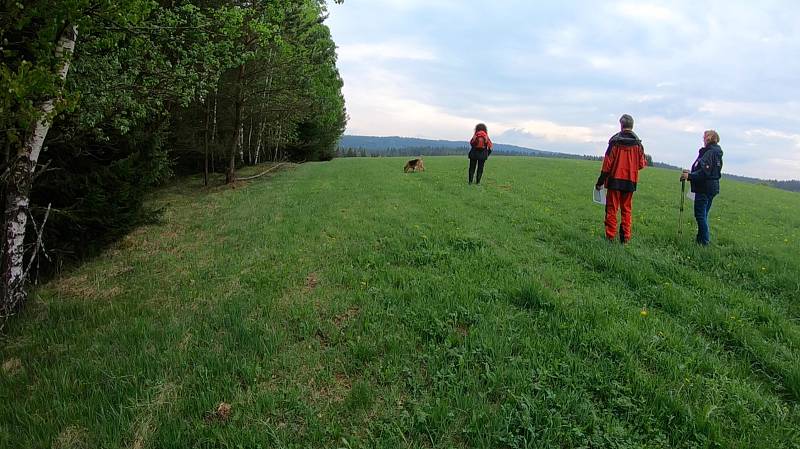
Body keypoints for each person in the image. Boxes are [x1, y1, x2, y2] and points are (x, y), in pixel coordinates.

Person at [595, 114, 647, 243]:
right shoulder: (638, 144)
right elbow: (641, 164)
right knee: (626, 210)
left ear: (621, 125)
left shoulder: (614, 142)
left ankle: (610, 236)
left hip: (614, 181)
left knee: (612, 209)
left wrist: (600, 181)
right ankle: (625, 238)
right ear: (632, 125)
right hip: (630, 182)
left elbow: (607, 164)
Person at [681, 130, 723, 245]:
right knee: (703, 215)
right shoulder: (716, 152)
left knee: (700, 215)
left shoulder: (710, 152)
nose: (703, 139)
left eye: (704, 137)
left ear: (709, 138)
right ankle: (700, 240)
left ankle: (704, 242)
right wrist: (691, 173)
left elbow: (704, 173)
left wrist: (689, 176)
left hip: (705, 187)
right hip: (712, 187)